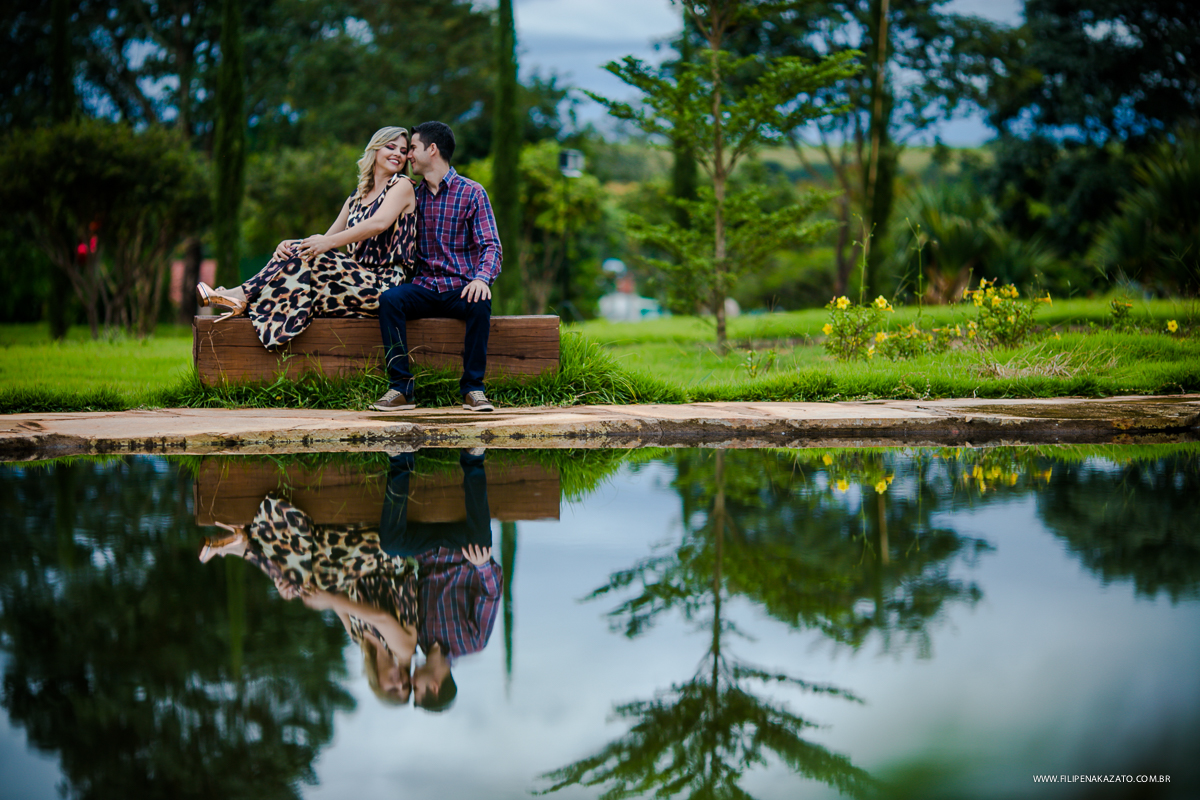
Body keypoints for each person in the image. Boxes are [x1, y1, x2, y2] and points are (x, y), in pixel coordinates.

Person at [196, 126, 417, 350]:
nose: (398, 154)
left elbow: (378, 224)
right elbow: (325, 238)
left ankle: (240, 296)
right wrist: (292, 246)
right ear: (375, 150)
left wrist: (323, 244)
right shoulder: (356, 197)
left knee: (317, 256)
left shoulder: (402, 185)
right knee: (301, 253)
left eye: (403, 150)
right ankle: (243, 299)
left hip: (385, 286)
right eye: (391, 147)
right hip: (353, 282)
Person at [198, 495, 419, 706]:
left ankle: (246, 547)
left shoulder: (358, 637)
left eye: (394, 689)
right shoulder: (404, 650)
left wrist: (295, 592)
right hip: (384, 556)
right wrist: (327, 597)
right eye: (406, 685)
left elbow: (335, 598)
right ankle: (245, 549)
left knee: (301, 585)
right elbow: (379, 618)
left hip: (352, 564)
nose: (400, 682)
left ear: (377, 684)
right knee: (307, 576)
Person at [373, 121, 502, 413]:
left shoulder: (472, 192)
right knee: (391, 300)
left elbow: (491, 246)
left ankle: (473, 389)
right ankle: (400, 388)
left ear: (432, 150)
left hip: (461, 289)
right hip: (423, 288)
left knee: (481, 301)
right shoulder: (410, 194)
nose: (408, 156)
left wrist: (481, 278)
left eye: (413, 149)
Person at [378, 449, 502, 712]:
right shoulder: (473, 642)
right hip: (462, 550)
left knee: (390, 544)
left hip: (426, 551)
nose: (412, 681)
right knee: (483, 544)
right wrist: (482, 567)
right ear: (435, 686)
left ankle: (400, 459)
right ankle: (473, 458)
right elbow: (491, 594)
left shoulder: (418, 640)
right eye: (418, 689)